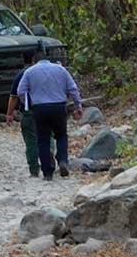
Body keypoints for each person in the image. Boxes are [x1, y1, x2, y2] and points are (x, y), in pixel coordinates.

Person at [17, 45, 83, 181]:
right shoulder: (61, 69)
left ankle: (47, 172)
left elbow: (20, 91)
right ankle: (63, 160)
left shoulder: (29, 72)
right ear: (47, 59)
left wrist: (28, 103)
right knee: (61, 135)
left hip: (40, 108)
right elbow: (73, 88)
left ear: (34, 60)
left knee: (43, 139)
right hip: (58, 106)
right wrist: (78, 105)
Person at [6, 58, 40, 178]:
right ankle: (49, 155)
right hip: (46, 109)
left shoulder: (23, 74)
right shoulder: (51, 71)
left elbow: (14, 96)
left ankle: (34, 170)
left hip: (29, 111)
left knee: (31, 141)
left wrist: (9, 113)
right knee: (47, 136)